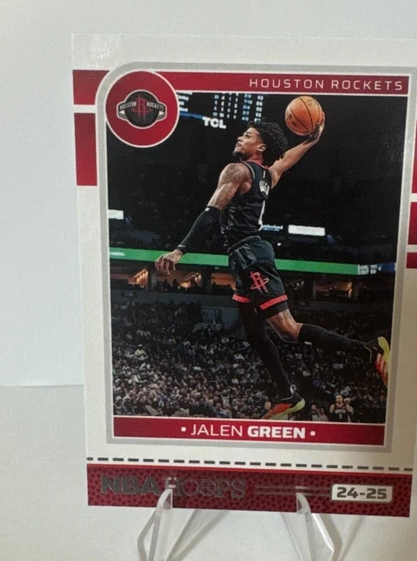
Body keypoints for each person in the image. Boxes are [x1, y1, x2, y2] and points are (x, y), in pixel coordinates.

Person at [155, 120, 389, 419]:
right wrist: (311, 141)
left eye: (247, 135)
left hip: (250, 255)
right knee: (254, 333)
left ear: (261, 146)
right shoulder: (269, 175)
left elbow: (211, 212)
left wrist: (180, 250)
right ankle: (287, 395)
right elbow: (286, 159)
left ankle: (369, 351)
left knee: (288, 330)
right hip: (243, 257)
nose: (240, 137)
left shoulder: (236, 170)